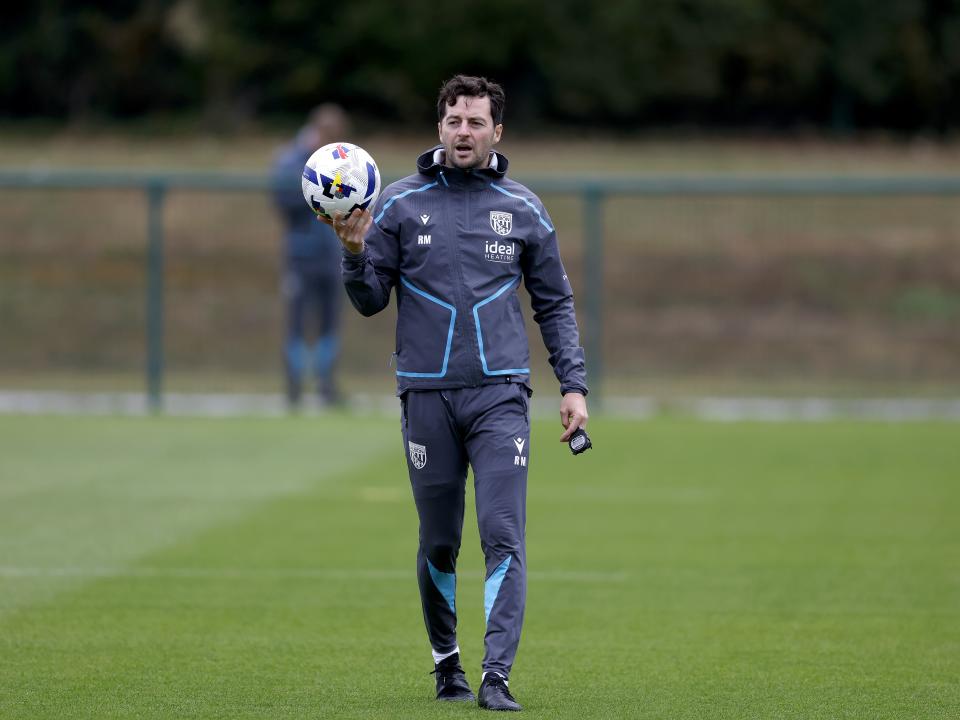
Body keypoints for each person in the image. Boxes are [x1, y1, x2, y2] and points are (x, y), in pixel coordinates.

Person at [326, 75, 589, 712]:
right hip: (426, 398)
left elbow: (555, 304)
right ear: (438, 127)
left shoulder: (524, 207)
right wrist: (355, 255)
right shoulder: (394, 204)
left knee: (505, 535)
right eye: (453, 121)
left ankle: (496, 676)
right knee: (440, 541)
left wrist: (573, 385)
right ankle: (448, 665)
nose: (462, 132)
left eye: (475, 122)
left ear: (497, 131)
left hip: (501, 396)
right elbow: (368, 303)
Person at [271, 103, 350, 408]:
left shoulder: (343, 161)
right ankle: (294, 388)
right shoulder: (291, 160)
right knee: (296, 322)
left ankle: (326, 385)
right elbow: (284, 199)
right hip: (300, 255)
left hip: (333, 256)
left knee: (330, 322)